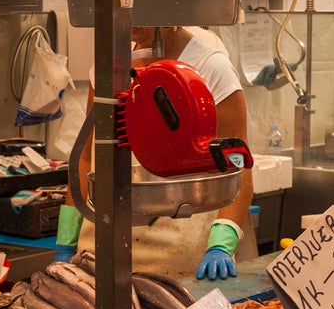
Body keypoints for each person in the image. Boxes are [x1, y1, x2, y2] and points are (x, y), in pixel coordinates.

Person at [57, 25, 257, 280]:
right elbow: (88, 156)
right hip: (102, 250)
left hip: (182, 256)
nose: (131, 22)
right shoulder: (110, 65)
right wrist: (65, 241)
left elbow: (238, 163)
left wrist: (221, 244)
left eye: (143, 9)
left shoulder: (210, 67)